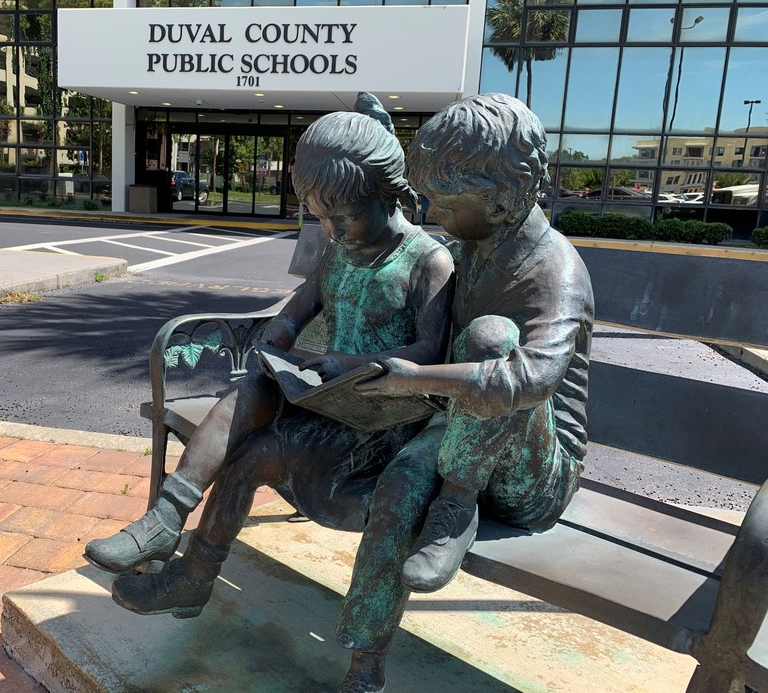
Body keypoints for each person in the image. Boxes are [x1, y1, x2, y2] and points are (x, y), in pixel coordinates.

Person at [83, 93, 455, 693]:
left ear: (390, 193)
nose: (333, 232)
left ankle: (177, 543)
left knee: (257, 438)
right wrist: (281, 349)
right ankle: (174, 539)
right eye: (319, 218)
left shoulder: (425, 260)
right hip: (330, 413)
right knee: (251, 426)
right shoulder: (338, 255)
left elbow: (429, 357)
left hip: (385, 429)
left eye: (346, 217)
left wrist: (350, 362)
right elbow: (290, 315)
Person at [354, 93, 594, 616]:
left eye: (442, 201)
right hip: (459, 431)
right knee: (398, 488)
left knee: (491, 337)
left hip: (534, 478)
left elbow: (532, 379)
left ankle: (458, 506)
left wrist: (415, 378)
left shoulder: (556, 270)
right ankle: (363, 660)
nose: (430, 213)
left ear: (495, 196)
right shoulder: (468, 251)